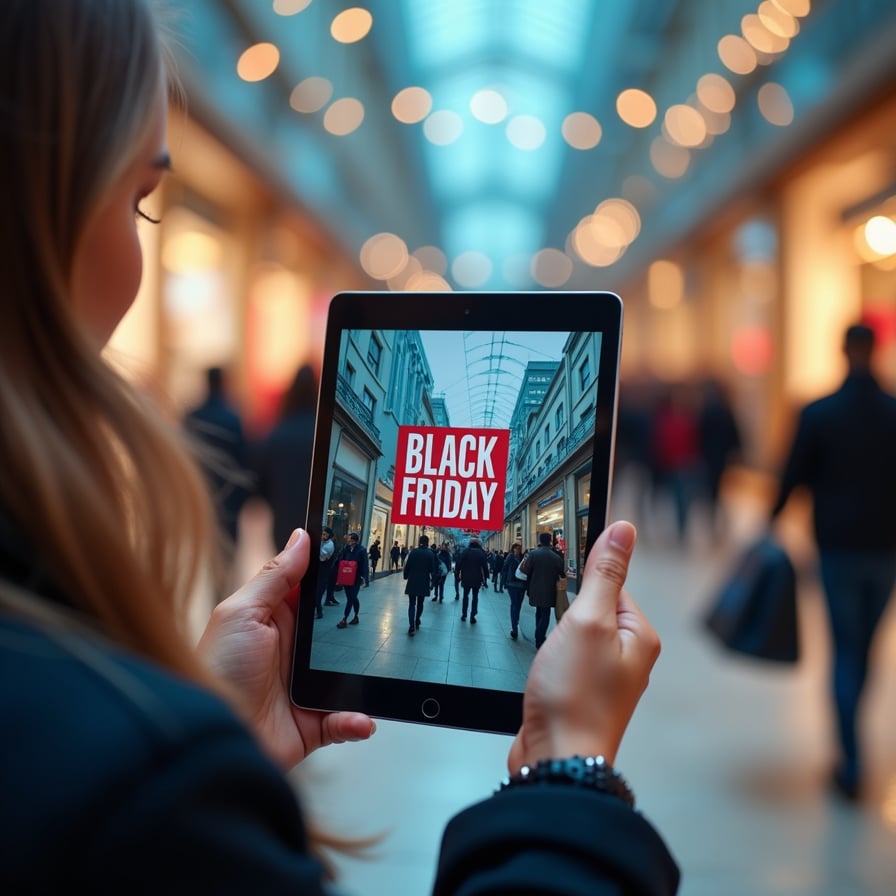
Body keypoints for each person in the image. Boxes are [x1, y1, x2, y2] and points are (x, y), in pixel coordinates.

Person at [0, 2, 679, 891]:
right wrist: (571, 771)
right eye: (140, 200)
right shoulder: (120, 775)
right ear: (36, 216)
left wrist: (214, 743)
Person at [770, 323, 896, 801]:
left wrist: (771, 521)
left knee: (844, 649)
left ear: (843, 351)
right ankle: (853, 739)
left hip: (837, 550)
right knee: (865, 649)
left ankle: (851, 760)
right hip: (885, 550)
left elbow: (792, 476)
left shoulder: (820, 412)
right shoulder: (892, 412)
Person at [183, 365, 252, 583]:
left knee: (207, 539)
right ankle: (226, 585)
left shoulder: (192, 416)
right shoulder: (232, 417)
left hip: (201, 488)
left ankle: (215, 581)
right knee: (230, 542)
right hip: (230, 491)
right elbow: (243, 457)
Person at [253, 364, 317, 554]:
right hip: (313, 521)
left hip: (284, 522)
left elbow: (260, 484)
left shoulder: (278, 432)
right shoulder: (318, 431)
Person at [522, 532, 566, 649]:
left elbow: (525, 570)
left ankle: (539, 635)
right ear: (550, 541)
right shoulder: (556, 557)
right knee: (545, 613)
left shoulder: (533, 554)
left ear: (540, 541)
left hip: (535, 588)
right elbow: (562, 573)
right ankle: (540, 637)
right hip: (550, 590)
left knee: (539, 611)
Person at [403, 535, 438, 635]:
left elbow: (408, 565)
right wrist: (432, 583)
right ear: (427, 543)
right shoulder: (430, 554)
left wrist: (406, 576)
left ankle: (411, 626)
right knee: (420, 602)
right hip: (424, 581)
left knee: (412, 603)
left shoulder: (413, 552)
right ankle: (417, 619)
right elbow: (432, 569)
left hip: (413, 580)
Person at [335, 532, 369, 629]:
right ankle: (356, 616)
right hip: (346, 576)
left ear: (354, 540)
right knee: (352, 597)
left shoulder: (361, 550)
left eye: (349, 539)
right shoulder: (346, 549)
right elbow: (340, 560)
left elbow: (364, 565)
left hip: (356, 577)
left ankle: (344, 618)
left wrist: (365, 578)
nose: (348, 540)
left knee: (351, 598)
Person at [457, 537, 490, 623]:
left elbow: (459, 563)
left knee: (465, 596)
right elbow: (485, 566)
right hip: (476, 578)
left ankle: (464, 614)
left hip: (466, 578)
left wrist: (457, 574)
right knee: (475, 597)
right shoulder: (481, 553)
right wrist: (486, 577)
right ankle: (473, 615)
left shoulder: (465, 551)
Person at [503, 543, 527, 639]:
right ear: (513, 549)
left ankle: (515, 622)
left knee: (518, 605)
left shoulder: (523, 558)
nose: (518, 550)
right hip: (512, 584)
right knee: (514, 604)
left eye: (519, 548)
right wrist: (504, 582)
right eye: (516, 548)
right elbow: (504, 569)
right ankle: (514, 627)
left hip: (521, 585)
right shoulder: (510, 557)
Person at [315, 525, 337, 619]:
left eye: (324, 534)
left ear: (328, 535)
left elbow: (322, 557)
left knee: (319, 593)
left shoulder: (329, 545)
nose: (322, 536)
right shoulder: (323, 542)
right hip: (318, 571)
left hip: (323, 572)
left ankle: (319, 611)